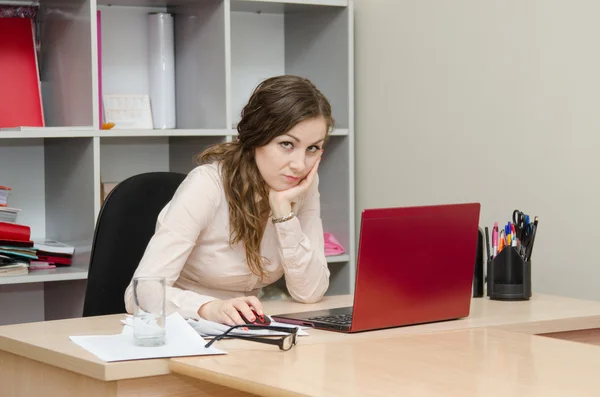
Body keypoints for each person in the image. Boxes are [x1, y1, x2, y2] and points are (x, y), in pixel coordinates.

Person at [124, 75, 334, 327]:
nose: (300, 165)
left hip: (243, 332)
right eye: (287, 144)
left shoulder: (302, 186)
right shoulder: (207, 185)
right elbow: (139, 294)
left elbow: (310, 292)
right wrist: (209, 308)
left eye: (312, 148)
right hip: (182, 328)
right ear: (257, 138)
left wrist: (283, 213)